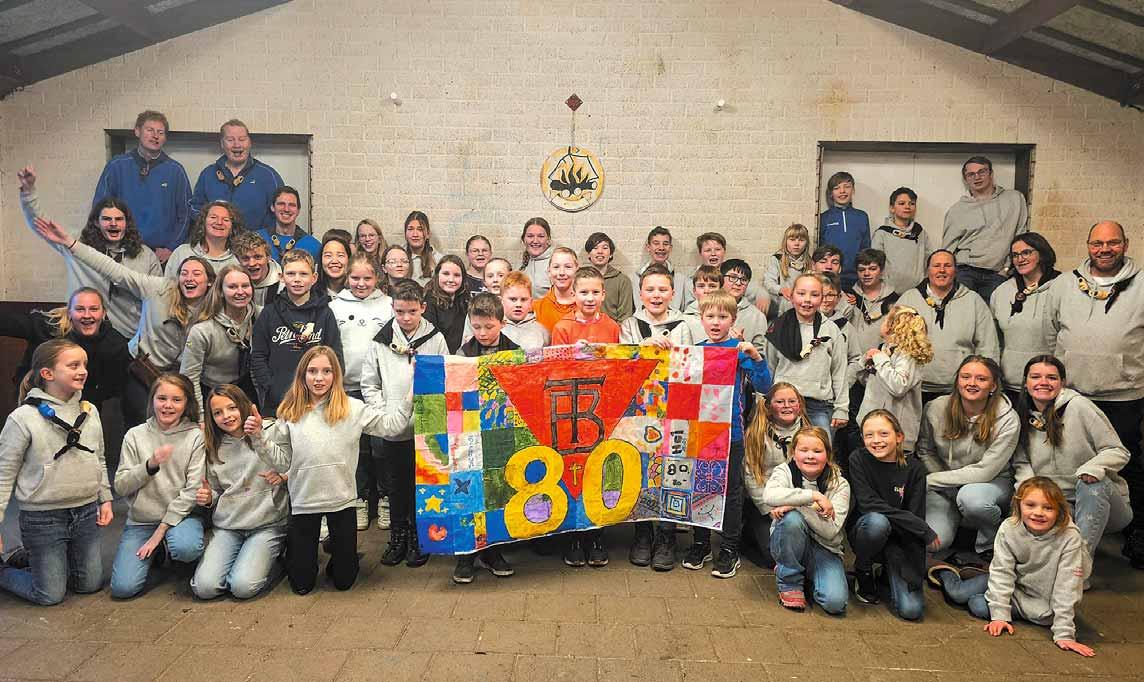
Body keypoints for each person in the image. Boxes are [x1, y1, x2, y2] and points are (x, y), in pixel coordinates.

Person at [247, 346, 410, 593]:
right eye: (312, 371)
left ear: (336, 375)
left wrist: (411, 393)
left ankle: (339, 551)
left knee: (344, 581)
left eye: (326, 371)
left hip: (342, 501)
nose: (319, 378)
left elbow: (393, 426)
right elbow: (282, 462)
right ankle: (295, 554)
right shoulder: (290, 412)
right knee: (301, 584)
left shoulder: (352, 409)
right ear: (302, 375)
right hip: (304, 502)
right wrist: (259, 436)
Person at [28, 214, 216, 428]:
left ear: (210, 281)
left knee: (185, 424)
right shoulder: (158, 289)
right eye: (184, 273)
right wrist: (71, 244)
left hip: (183, 376)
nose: (189, 278)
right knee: (141, 422)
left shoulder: (214, 307)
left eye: (196, 274)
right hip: (142, 371)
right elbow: (112, 269)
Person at [1049, 220, 1144, 568]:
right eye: (1097, 243)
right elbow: (1052, 330)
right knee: (1072, 461)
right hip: (1072, 394)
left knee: (1128, 462)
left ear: (1125, 244)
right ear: (1088, 245)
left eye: (1112, 243)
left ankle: (1135, 531)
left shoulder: (1141, 284)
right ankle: (1073, 530)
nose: (1105, 249)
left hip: (1124, 394)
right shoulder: (1064, 284)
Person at [928, 477, 1094, 657]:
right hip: (1013, 584)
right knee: (958, 594)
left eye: (1048, 508)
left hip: (1040, 603)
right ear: (1018, 505)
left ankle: (979, 577)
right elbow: (1002, 572)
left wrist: (1064, 633)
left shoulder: (1070, 538)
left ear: (1059, 511)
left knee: (977, 605)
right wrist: (1000, 616)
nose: (1038, 513)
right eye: (1030, 505)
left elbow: (1067, 587)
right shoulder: (1010, 528)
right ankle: (944, 570)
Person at [0, 340, 113, 605]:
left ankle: (32, 558)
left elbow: (98, 458)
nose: (82, 371)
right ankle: (5, 568)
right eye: (73, 365)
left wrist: (105, 498)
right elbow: (4, 474)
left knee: (89, 585)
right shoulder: (23, 418)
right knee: (49, 594)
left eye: (84, 365)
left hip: (85, 512)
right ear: (47, 373)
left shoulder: (90, 411)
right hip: (43, 517)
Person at [682, 290, 771, 578]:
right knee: (700, 488)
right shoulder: (695, 351)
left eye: (723, 317)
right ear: (701, 319)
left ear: (733, 319)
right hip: (700, 433)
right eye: (710, 316)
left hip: (731, 434)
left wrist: (756, 357)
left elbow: (764, 386)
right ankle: (700, 543)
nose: (716, 322)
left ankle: (729, 547)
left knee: (731, 492)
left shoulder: (739, 350)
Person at [362, 279, 448, 568]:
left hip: (424, 426)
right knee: (395, 484)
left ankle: (418, 537)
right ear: (392, 308)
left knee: (421, 483)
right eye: (400, 312)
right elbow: (369, 382)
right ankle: (398, 535)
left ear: (422, 307)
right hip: (393, 426)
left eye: (412, 311)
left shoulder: (435, 338)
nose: (406, 318)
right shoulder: (380, 340)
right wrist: (382, 412)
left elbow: (444, 376)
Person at [20, 166, 162, 340]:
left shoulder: (146, 255)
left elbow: (157, 298)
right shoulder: (77, 248)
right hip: (81, 334)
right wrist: (28, 193)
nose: (113, 224)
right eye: (107, 219)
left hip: (129, 337)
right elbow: (40, 225)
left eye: (119, 219)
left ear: (127, 223)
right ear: (96, 222)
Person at [1014, 356, 1131, 563]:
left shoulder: (1079, 406)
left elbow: (1118, 450)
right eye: (1036, 377)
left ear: (1062, 382)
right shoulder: (1021, 415)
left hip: (1103, 503)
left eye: (1052, 378)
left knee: (1093, 484)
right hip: (1058, 504)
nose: (1043, 382)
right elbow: (1021, 464)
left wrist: (1093, 468)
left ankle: (1079, 564)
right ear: (1025, 383)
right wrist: (1032, 493)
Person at [620, 263, 693, 571]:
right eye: (650, 289)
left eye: (663, 289)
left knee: (671, 469)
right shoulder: (630, 324)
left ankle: (666, 535)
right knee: (641, 469)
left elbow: (692, 366)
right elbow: (622, 366)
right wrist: (642, 348)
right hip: (640, 409)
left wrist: (674, 352)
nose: (656, 295)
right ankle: (642, 533)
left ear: (672, 293)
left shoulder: (684, 325)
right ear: (641, 293)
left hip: (674, 408)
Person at [109, 373, 206, 598]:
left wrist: (161, 530)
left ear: (187, 403)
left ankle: (174, 547)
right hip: (142, 520)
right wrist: (149, 465)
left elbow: (193, 490)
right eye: (162, 398)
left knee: (186, 547)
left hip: (181, 517)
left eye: (176, 400)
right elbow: (121, 486)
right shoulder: (134, 435)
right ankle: (160, 553)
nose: (168, 405)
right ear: (152, 399)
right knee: (123, 588)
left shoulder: (195, 436)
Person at [918, 355, 1018, 565]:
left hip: (990, 483)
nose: (972, 383)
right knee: (935, 543)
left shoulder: (1008, 419)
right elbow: (926, 451)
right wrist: (946, 484)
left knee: (973, 500)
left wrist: (930, 481)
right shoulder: (936, 408)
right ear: (957, 380)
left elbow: (985, 471)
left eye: (981, 379)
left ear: (993, 386)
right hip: (944, 482)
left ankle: (992, 539)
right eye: (966, 377)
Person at [191, 384, 289, 599]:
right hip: (229, 526)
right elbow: (216, 489)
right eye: (218, 412)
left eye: (231, 408)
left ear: (243, 406)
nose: (226, 416)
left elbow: (289, 464)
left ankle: (275, 563)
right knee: (204, 588)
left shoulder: (270, 429)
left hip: (267, 524)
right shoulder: (213, 445)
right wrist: (208, 498)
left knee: (242, 587)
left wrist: (258, 435)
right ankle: (241, 564)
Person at [452, 293, 518, 584]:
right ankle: (466, 554)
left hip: (502, 433)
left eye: (489, 327)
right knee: (468, 492)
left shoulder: (515, 352)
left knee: (498, 491)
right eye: (476, 327)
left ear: (502, 323)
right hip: (469, 432)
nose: (482, 333)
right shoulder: (463, 353)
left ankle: (493, 551)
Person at [848, 410, 935, 619]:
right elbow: (868, 503)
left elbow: (915, 516)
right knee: (877, 521)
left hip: (899, 539)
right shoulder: (858, 459)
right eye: (869, 435)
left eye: (884, 434)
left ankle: (887, 572)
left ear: (899, 437)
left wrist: (912, 571)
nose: (876, 440)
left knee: (911, 611)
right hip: (867, 530)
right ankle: (863, 568)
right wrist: (921, 528)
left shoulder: (915, 469)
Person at [329, 253, 394, 531]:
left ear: (377, 278)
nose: (361, 283)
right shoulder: (335, 307)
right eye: (355, 277)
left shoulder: (389, 305)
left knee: (381, 446)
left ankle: (386, 498)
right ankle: (359, 499)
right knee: (356, 447)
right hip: (347, 388)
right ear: (347, 277)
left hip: (380, 388)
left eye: (367, 278)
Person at [0, 288, 129, 415]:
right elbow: (10, 323)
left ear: (103, 313)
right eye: (80, 309)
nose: (87, 315)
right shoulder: (48, 327)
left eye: (94, 309)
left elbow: (113, 387)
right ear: (69, 313)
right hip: (36, 398)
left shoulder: (115, 345)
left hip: (83, 405)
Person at [764, 426, 850, 613]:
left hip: (825, 548)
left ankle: (809, 574)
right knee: (791, 519)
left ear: (828, 455)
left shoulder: (840, 484)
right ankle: (789, 582)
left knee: (835, 603)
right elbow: (769, 496)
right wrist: (813, 497)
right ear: (793, 453)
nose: (810, 456)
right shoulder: (784, 471)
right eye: (803, 450)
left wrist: (796, 505)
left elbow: (830, 531)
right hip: (790, 539)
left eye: (817, 451)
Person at [250, 249, 342, 418]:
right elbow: (258, 356)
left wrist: (326, 390)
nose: (297, 279)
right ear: (281, 277)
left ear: (314, 278)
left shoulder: (325, 314)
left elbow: (335, 356)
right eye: (291, 274)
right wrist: (270, 386)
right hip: (278, 401)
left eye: (303, 274)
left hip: (317, 400)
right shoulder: (269, 313)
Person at [897, 250, 999, 402]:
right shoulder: (909, 299)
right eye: (936, 266)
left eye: (947, 265)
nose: (942, 270)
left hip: (959, 390)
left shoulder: (973, 301)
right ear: (928, 270)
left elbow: (988, 345)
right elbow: (894, 341)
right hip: (913, 388)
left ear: (955, 270)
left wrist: (986, 381)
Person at [92, 110, 192, 261]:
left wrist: (171, 248)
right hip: (121, 251)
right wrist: (109, 245)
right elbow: (99, 209)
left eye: (160, 132)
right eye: (150, 130)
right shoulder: (116, 166)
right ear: (137, 131)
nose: (155, 136)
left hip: (160, 255)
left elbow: (185, 215)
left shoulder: (175, 171)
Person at [765, 273, 848, 434]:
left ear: (822, 298)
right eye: (801, 294)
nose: (807, 300)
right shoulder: (778, 328)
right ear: (791, 296)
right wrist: (764, 402)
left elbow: (839, 371)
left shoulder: (830, 329)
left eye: (814, 295)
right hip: (782, 404)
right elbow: (769, 367)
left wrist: (842, 408)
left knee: (819, 447)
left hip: (818, 406)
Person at [942, 156, 1029, 302]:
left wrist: (1007, 269)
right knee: (961, 312)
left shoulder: (1014, 199)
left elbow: (1021, 235)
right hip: (965, 272)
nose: (977, 177)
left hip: (998, 274)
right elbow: (947, 249)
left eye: (982, 172)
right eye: (971, 174)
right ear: (966, 179)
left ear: (991, 174)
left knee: (995, 314)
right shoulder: (957, 210)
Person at [742, 382, 810, 569]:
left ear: (799, 405)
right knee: (774, 556)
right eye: (780, 402)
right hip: (766, 503)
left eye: (792, 401)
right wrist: (769, 508)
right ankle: (747, 535)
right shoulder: (756, 434)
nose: (787, 406)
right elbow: (750, 475)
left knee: (801, 550)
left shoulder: (810, 433)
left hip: (798, 500)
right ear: (769, 406)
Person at [180, 265, 259, 412]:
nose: (240, 292)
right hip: (210, 392)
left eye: (245, 286)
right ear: (221, 291)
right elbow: (189, 377)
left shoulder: (261, 317)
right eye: (232, 287)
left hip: (245, 388)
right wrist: (200, 416)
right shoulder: (202, 330)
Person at [990, 233, 1061, 396]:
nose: (1020, 259)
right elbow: (995, 341)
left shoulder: (1062, 287)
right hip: (1010, 384)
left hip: (1047, 385)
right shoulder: (1001, 292)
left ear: (1042, 253)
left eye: (1026, 253)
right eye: (1015, 255)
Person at [856, 306, 933, 454]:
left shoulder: (908, 356)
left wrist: (880, 359)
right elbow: (866, 381)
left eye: (886, 319)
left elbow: (898, 387)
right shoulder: (884, 349)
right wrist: (866, 362)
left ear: (893, 326)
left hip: (897, 437)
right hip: (872, 429)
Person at [190, 119, 284, 230]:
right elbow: (195, 208)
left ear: (250, 142)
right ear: (222, 144)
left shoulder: (268, 176)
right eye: (230, 140)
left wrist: (260, 237)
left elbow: (281, 213)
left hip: (255, 240)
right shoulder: (208, 174)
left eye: (242, 139)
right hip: (216, 240)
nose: (237, 144)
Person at [872, 187, 936, 295]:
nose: (907, 207)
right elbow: (875, 264)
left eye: (912, 204)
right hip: (888, 292)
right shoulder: (882, 233)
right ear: (892, 208)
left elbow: (929, 259)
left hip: (917, 292)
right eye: (901, 203)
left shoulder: (920, 232)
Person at [819, 171, 870, 291]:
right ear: (831, 193)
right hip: (830, 277)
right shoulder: (823, 218)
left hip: (857, 279)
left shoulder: (862, 216)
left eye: (847, 186)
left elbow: (866, 248)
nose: (842, 191)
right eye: (837, 188)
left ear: (853, 190)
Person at [165, 200, 242, 278]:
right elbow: (168, 284)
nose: (219, 222)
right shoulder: (182, 253)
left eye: (226, 220)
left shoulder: (240, 259)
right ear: (203, 222)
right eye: (213, 217)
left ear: (233, 227)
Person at [551, 266, 621, 347]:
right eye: (584, 292)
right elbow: (558, 355)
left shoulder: (612, 327)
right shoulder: (562, 328)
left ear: (603, 295)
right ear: (573, 295)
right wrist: (575, 351)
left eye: (595, 292)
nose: (590, 298)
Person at [629, 226, 692, 312]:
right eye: (656, 243)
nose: (661, 248)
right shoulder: (634, 279)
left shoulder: (682, 280)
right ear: (648, 247)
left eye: (665, 244)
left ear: (670, 248)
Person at [255, 186, 321, 263]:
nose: (286, 209)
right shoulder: (257, 239)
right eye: (281, 204)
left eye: (292, 205)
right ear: (272, 207)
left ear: (298, 210)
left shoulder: (314, 246)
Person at [423, 254, 470, 353]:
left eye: (457, 275)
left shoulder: (464, 300)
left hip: (460, 356)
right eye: (446, 274)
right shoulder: (429, 302)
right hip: (438, 356)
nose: (451, 280)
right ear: (437, 275)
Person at [584, 231, 634, 322]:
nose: (600, 251)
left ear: (611, 254)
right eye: (595, 248)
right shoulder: (581, 279)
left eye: (605, 248)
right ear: (589, 254)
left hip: (614, 329)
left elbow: (625, 317)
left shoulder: (622, 280)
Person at [720, 259, 768, 351]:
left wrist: (742, 344)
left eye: (743, 280)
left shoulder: (757, 316)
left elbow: (761, 354)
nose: (738, 283)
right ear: (721, 279)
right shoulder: (708, 309)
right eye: (733, 277)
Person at [763, 224, 811, 315]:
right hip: (782, 307)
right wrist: (781, 289)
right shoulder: (777, 260)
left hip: (803, 305)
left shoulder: (810, 263)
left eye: (801, 240)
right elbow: (768, 282)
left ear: (806, 243)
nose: (796, 244)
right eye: (792, 240)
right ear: (785, 242)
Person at [498, 271, 550, 352]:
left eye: (523, 300)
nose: (518, 305)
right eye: (513, 299)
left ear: (531, 302)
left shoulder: (542, 332)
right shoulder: (494, 329)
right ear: (501, 301)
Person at [532, 247, 579, 331]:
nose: (561, 272)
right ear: (549, 271)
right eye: (556, 267)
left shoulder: (588, 306)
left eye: (568, 267)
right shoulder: (536, 308)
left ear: (577, 270)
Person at [232, 231, 282, 307]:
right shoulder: (230, 282)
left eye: (257, 257)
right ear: (238, 260)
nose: (252, 264)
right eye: (245, 258)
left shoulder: (284, 284)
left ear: (268, 257)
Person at [682, 265, 722, 341]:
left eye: (712, 286)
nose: (707, 291)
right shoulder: (684, 320)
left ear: (720, 290)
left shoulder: (728, 317)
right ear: (694, 291)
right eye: (701, 286)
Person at [520, 217, 554, 298]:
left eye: (541, 236)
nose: (535, 241)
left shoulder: (556, 263)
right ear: (524, 239)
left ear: (548, 239)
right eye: (530, 236)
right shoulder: (522, 265)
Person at [402, 210, 438, 284]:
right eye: (410, 229)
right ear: (405, 233)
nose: (415, 234)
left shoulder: (438, 260)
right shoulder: (397, 258)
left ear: (428, 234)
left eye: (420, 229)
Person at [317, 232, 351, 297]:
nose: (334, 261)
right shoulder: (310, 294)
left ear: (349, 259)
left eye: (340, 255)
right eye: (328, 255)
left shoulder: (359, 292)